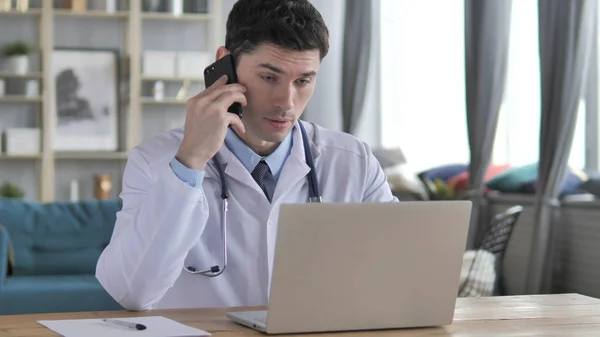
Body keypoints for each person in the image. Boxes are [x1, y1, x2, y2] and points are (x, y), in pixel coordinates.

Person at [95, 0, 398, 311]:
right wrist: (190, 161)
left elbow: (402, 273)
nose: (286, 102)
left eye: (303, 80)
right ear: (224, 65)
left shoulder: (354, 162)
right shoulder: (155, 161)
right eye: (269, 77)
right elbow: (132, 292)